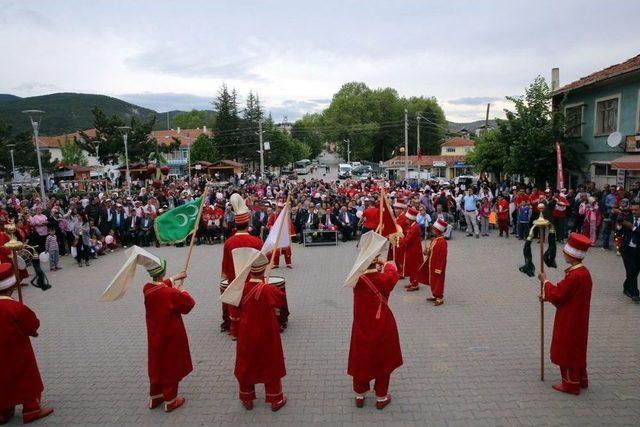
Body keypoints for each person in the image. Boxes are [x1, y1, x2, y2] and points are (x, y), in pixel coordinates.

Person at [538, 233, 593, 395]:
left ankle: (570, 384)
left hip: (569, 317)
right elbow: (565, 294)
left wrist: (545, 281)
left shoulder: (575, 276)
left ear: (572, 255)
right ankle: (581, 379)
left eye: (566, 252)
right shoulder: (584, 273)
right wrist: (546, 295)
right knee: (577, 347)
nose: (563, 254)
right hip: (579, 317)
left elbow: (558, 295)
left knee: (567, 348)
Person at [0, 262, 54, 424]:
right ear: (11, 287)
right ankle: (31, 408)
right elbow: (32, 324)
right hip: (17, 351)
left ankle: (3, 410)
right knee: (25, 377)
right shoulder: (14, 307)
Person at [234, 251, 288, 411]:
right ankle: (275, 399)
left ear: (250, 269)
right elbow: (280, 301)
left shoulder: (240, 288)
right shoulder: (268, 289)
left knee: (246, 362)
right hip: (266, 331)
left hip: (246, 331)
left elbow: (234, 306)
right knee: (270, 362)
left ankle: (247, 397)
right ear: (264, 270)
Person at [347, 257, 402, 410]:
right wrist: (384, 263)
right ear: (375, 264)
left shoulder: (356, 280)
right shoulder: (384, 279)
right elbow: (394, 273)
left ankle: (359, 394)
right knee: (382, 360)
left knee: (360, 359)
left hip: (361, 326)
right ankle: (381, 397)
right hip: (382, 325)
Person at [144, 265, 193, 412]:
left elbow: (160, 287)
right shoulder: (170, 293)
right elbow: (188, 305)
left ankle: (155, 396)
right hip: (171, 334)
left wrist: (175, 277)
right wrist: (182, 291)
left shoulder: (147, 288)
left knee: (157, 363)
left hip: (155, 333)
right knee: (171, 365)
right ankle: (170, 400)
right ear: (163, 272)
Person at [220, 194, 263, 339]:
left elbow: (225, 265)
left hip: (235, 279)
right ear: (248, 223)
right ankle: (254, 329)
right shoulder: (257, 241)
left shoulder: (229, 242)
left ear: (235, 224)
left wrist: (226, 276)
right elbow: (263, 261)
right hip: (253, 280)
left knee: (236, 303)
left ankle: (235, 331)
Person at [416, 219, 449, 306]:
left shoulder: (442, 242)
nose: (432, 230)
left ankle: (439, 297)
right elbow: (431, 251)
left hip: (438, 267)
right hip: (432, 265)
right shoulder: (435, 240)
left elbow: (442, 257)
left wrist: (439, 268)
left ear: (438, 231)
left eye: (434, 229)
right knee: (433, 281)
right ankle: (435, 294)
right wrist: (427, 252)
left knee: (438, 282)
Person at [618, 201, 640, 302]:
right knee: (631, 270)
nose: (634, 212)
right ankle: (635, 293)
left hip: (638, 250)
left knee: (635, 271)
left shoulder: (630, 223)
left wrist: (632, 227)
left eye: (636, 210)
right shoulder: (628, 218)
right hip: (627, 250)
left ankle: (626, 286)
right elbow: (619, 232)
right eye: (632, 210)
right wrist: (619, 224)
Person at [401, 207, 424, 292]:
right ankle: (412, 282)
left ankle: (415, 284)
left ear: (410, 219)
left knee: (414, 267)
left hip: (414, 251)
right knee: (411, 266)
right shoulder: (412, 226)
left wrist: (400, 239)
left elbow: (407, 240)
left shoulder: (414, 227)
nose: (406, 221)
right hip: (411, 249)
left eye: (407, 219)